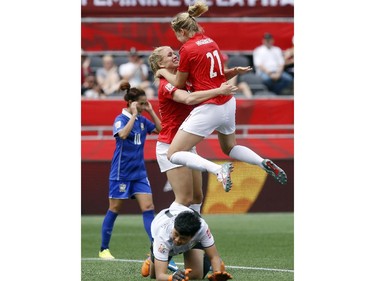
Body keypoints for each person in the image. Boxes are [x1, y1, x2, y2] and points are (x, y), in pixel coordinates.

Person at [155, 0, 287, 192]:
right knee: (230, 147)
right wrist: (233, 71)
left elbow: (178, 84)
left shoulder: (187, 49)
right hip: (228, 103)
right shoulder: (210, 42)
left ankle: (218, 170)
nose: (178, 43)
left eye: (177, 36)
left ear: (182, 32)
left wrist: (162, 73)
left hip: (211, 105)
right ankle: (261, 161)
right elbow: (215, 75)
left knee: (174, 153)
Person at [148, 46, 239, 213]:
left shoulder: (182, 79)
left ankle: (195, 236)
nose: (175, 56)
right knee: (184, 199)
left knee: (197, 197)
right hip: (170, 146)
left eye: (174, 53)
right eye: (170, 55)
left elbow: (205, 80)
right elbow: (189, 99)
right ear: (160, 63)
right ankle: (163, 232)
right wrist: (219, 91)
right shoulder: (165, 85)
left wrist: (231, 72)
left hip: (185, 145)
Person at [98, 81, 162, 260]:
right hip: (121, 172)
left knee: (148, 207)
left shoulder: (143, 119)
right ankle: (104, 249)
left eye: (145, 103)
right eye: (141, 103)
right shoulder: (121, 120)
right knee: (115, 208)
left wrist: (150, 111)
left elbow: (161, 129)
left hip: (139, 172)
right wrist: (134, 115)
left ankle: (157, 249)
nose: (143, 106)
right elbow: (123, 135)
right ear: (131, 103)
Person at [141, 203, 233, 281]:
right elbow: (160, 276)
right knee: (153, 275)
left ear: (193, 236)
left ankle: (204, 258)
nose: (177, 240)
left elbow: (214, 256)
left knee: (196, 275)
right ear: (174, 226)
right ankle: (152, 257)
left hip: (189, 238)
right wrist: (171, 277)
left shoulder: (201, 229)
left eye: (183, 238)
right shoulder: (162, 237)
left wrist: (216, 273)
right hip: (165, 241)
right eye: (176, 234)